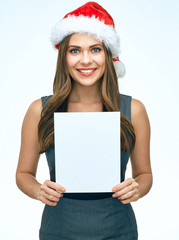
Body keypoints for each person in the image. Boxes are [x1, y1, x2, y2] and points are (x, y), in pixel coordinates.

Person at [16, 2, 152, 240]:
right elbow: (23, 174)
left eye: (95, 49)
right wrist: (38, 190)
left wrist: (137, 188)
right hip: (58, 228)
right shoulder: (40, 110)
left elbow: (145, 175)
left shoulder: (134, 110)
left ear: (109, 55)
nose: (86, 60)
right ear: (64, 56)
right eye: (75, 50)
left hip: (118, 228)